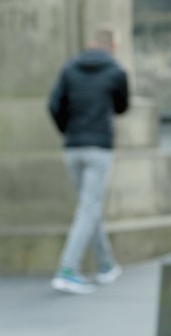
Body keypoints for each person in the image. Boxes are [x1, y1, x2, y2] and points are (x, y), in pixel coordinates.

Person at [46, 25, 130, 294]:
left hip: (73, 145)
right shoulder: (116, 72)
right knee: (88, 208)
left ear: (92, 43)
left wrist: (68, 130)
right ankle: (67, 270)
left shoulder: (69, 68)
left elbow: (54, 105)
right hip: (99, 146)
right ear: (113, 46)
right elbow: (122, 107)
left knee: (89, 206)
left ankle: (106, 264)